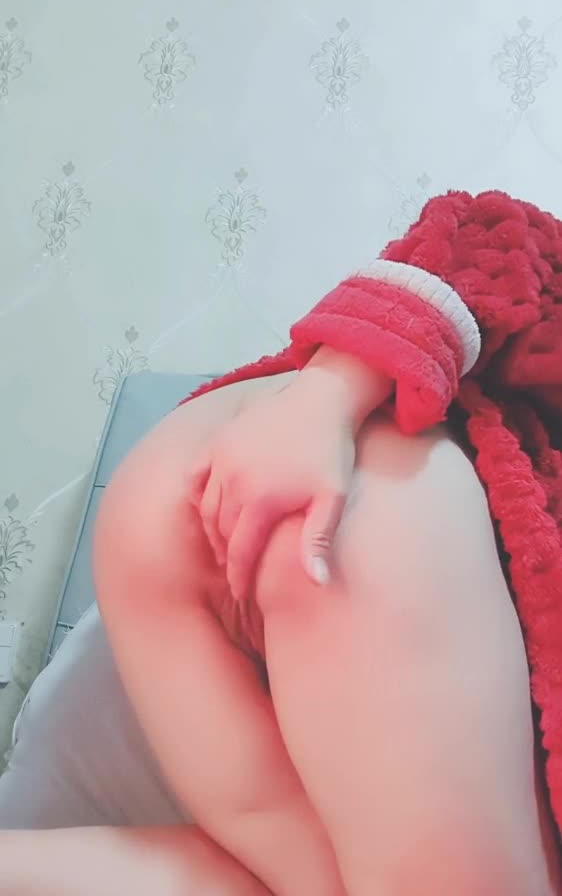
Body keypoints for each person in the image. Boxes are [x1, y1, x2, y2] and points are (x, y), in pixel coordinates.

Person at [0, 189, 561, 895]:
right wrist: (330, 398)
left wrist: (321, 395)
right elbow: (497, 239)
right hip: (365, 493)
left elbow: (499, 247)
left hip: (197, 465)